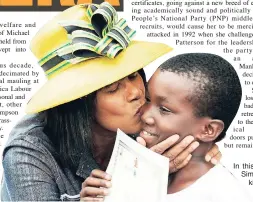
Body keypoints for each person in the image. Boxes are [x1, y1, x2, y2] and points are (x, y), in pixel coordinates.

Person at [1, 4, 220, 202]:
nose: (136, 92)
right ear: (78, 103)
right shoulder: (27, 152)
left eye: (134, 75)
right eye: (112, 88)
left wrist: (201, 150)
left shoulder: (143, 118)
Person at [140, 53, 251, 201]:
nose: (144, 115)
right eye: (147, 99)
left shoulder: (224, 195)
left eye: (164, 109)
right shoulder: (135, 158)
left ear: (208, 130)